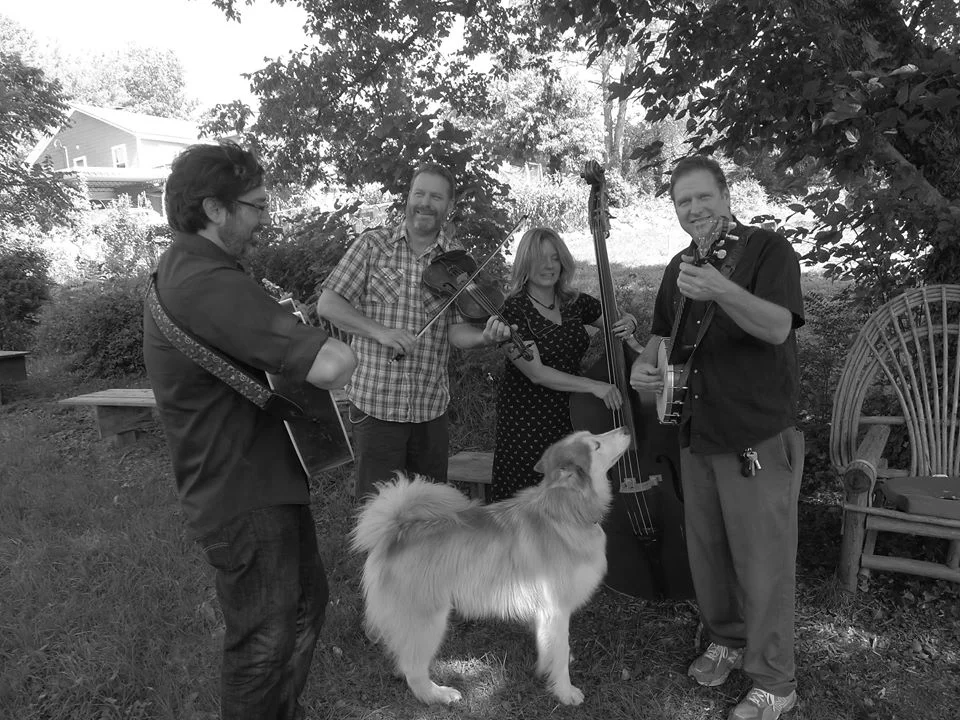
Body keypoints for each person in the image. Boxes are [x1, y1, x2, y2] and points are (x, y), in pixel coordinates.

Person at [143, 141, 357, 720]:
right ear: (214, 208)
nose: (266, 218)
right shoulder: (207, 282)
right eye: (257, 206)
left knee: (305, 608)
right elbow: (331, 365)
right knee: (263, 643)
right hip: (243, 492)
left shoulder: (194, 270)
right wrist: (358, 341)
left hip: (260, 479)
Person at [629, 155, 804, 720]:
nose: (695, 209)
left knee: (763, 561)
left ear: (726, 196)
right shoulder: (680, 265)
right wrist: (644, 367)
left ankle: (775, 680)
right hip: (695, 429)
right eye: (684, 202)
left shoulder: (768, 251)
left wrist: (721, 290)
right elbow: (662, 336)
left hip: (753, 430)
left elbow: (777, 326)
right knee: (708, 554)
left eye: (704, 197)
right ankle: (726, 639)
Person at [315, 162, 512, 499]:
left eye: (435, 197)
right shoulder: (372, 246)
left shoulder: (457, 261)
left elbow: (455, 333)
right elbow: (328, 305)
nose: (425, 202)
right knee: (379, 515)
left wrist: (484, 337)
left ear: (448, 207)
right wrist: (379, 331)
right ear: (407, 197)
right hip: (377, 404)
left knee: (429, 514)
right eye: (419, 193)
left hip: (429, 409)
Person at [490, 226, 636, 502]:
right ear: (525, 263)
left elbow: (616, 321)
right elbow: (536, 373)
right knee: (529, 509)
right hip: (527, 424)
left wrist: (629, 322)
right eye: (539, 259)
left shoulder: (574, 302)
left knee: (570, 502)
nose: (548, 266)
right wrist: (595, 386)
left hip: (572, 416)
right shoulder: (512, 309)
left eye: (554, 257)